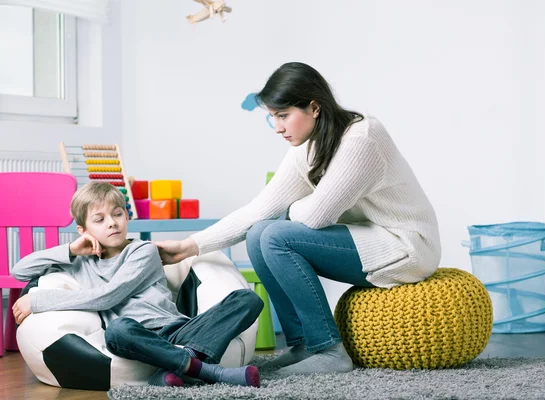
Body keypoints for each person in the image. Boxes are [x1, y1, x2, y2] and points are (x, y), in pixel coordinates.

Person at [155, 62, 442, 376]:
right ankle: (303, 344)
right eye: (272, 117)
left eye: (283, 115)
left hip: (407, 246)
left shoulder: (362, 138)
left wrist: (289, 210)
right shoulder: (308, 147)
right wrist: (187, 247)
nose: (277, 127)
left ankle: (330, 351)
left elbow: (319, 216)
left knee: (275, 235)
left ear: (314, 107)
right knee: (258, 233)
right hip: (367, 236)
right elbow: (258, 210)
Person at [11, 182, 263, 388]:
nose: (112, 223)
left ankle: (173, 369)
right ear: (83, 229)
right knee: (118, 329)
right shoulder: (78, 262)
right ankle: (208, 371)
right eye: (99, 219)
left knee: (248, 299)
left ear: (126, 217)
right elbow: (20, 270)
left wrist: (37, 301)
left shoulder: (142, 251)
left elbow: (108, 297)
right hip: (133, 337)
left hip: (178, 330)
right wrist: (70, 249)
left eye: (118, 214)